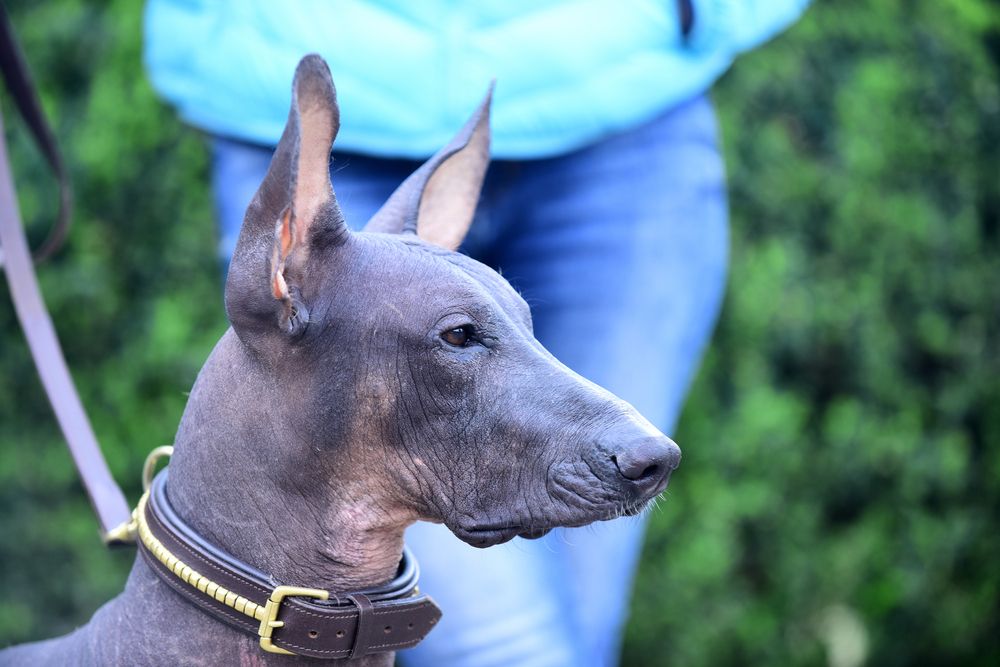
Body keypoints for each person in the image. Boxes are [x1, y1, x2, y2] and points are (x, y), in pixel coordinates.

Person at [144, 2, 810, 664]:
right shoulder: (302, 257)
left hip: (626, 119)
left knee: (583, 604)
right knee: (513, 648)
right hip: (310, 90)